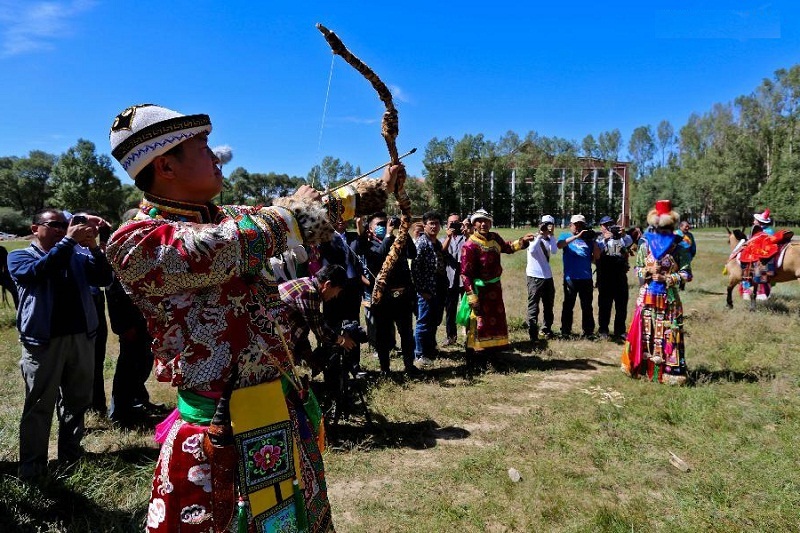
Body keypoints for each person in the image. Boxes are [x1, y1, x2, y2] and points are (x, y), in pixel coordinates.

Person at [106, 104, 396, 532]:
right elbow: (223, 247)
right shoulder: (137, 241)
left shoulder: (233, 217)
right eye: (203, 148)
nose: (216, 157)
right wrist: (291, 213)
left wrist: (374, 190)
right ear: (165, 165)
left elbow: (300, 219)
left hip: (279, 408)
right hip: (217, 431)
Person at [9, 208, 114, 480]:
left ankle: (71, 454)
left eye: (65, 225)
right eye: (54, 225)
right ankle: (33, 467)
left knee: (77, 400)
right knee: (39, 404)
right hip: (43, 342)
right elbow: (38, 272)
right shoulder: (18, 256)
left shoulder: (76, 254)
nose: (61, 229)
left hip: (81, 338)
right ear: (35, 229)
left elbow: (103, 279)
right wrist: (69, 242)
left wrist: (94, 248)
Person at [621, 200, 692, 385]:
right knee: (646, 330)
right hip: (647, 295)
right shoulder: (645, 245)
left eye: (667, 227)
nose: (663, 231)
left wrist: (668, 279)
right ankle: (643, 369)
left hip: (669, 298)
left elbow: (686, 273)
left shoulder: (679, 246)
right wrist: (647, 272)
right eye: (659, 228)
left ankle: (669, 372)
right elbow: (637, 268)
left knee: (669, 331)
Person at [461, 209, 534, 370]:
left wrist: (522, 241)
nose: (483, 224)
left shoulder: (494, 238)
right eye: (479, 221)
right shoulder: (470, 245)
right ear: (474, 224)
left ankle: (493, 356)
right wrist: (472, 296)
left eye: (486, 221)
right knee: (478, 323)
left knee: (495, 322)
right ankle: (476, 359)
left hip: (495, 290)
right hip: (479, 292)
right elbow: (465, 274)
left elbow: (507, 247)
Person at [353, 211, 419, 377]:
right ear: (371, 229)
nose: (384, 226)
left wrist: (404, 232)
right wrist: (388, 234)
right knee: (383, 335)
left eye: (386, 223)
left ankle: (409, 365)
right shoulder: (368, 244)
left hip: (402, 295)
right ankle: (385, 369)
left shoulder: (398, 240)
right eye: (380, 225)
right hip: (382, 298)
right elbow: (379, 259)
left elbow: (413, 253)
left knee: (406, 333)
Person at [279, 264, 357, 371]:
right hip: (271, 340)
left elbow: (304, 325)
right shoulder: (310, 293)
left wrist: (308, 354)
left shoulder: (306, 282)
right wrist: (343, 340)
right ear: (328, 284)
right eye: (337, 291)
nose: (335, 296)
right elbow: (321, 332)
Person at [411, 211, 449, 367]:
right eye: (431, 223)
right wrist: (421, 290)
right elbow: (414, 269)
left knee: (434, 321)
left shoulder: (437, 243)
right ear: (424, 225)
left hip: (439, 287)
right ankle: (419, 354)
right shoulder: (422, 243)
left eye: (436, 223)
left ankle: (429, 349)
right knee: (424, 322)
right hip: (426, 290)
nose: (434, 226)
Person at [557, 214, 601, 338]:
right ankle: (565, 331)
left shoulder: (589, 240)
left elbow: (596, 258)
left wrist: (594, 241)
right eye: (576, 225)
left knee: (587, 306)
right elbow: (559, 245)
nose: (578, 227)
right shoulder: (566, 236)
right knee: (568, 305)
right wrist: (577, 236)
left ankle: (588, 332)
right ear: (570, 225)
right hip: (570, 278)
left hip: (586, 278)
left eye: (581, 225)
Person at [595, 216, 633, 340]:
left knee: (621, 305)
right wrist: (606, 239)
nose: (608, 227)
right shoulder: (598, 239)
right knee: (605, 305)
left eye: (610, 225)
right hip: (605, 276)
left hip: (620, 276)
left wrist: (623, 234)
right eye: (605, 225)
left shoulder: (620, 238)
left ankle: (620, 331)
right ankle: (603, 330)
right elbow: (596, 253)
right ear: (601, 226)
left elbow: (629, 242)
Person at [525, 215, 558, 342]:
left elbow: (554, 251)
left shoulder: (550, 240)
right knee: (533, 305)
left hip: (547, 276)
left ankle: (546, 329)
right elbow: (532, 250)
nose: (547, 227)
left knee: (548, 305)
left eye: (549, 224)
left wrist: (552, 235)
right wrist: (539, 235)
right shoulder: (533, 238)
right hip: (534, 277)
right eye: (545, 224)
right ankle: (533, 333)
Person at [441, 213, 467, 346]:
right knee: (450, 310)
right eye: (451, 223)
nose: (454, 225)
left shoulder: (467, 237)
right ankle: (451, 336)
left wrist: (468, 231)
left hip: (465, 279)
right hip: (450, 279)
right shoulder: (443, 239)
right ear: (447, 224)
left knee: (468, 308)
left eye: (457, 222)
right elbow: (441, 252)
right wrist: (449, 237)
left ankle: (470, 336)